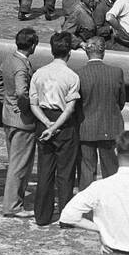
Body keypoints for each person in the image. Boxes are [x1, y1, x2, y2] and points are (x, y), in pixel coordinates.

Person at [29, 31, 81, 226]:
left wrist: (47, 124)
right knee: (65, 174)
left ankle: (42, 215)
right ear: (69, 52)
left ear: (52, 50)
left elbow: (33, 104)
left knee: (45, 170)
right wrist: (56, 126)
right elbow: (70, 108)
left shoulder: (38, 73)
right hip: (64, 124)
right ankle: (66, 218)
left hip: (43, 120)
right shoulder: (72, 76)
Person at [0, 28, 39, 218]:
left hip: (8, 117)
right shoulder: (22, 66)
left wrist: (6, 100)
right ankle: (12, 206)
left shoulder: (9, 59)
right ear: (32, 46)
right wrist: (23, 108)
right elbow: (23, 92)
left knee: (14, 162)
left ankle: (15, 201)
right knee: (19, 164)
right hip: (22, 121)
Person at [76, 37, 125, 188]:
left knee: (87, 170)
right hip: (110, 126)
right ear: (103, 52)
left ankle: (87, 209)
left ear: (87, 53)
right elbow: (121, 101)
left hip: (86, 126)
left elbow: (76, 103)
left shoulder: (79, 73)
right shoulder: (116, 72)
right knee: (111, 170)